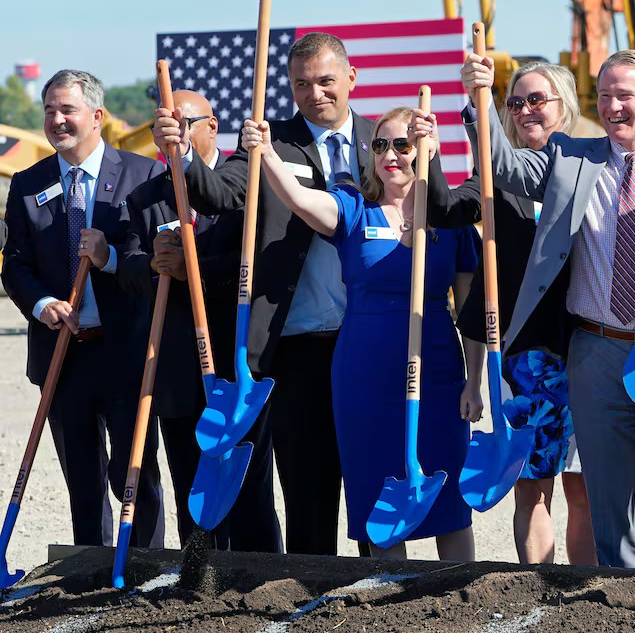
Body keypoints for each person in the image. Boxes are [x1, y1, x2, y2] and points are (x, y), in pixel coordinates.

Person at [152, 32, 458, 555]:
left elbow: (441, 207)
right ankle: (311, 589)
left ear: (350, 79)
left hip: (375, 340)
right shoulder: (272, 142)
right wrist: (181, 157)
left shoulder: (386, 139)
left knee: (377, 474)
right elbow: (220, 192)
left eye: (325, 81)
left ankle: (377, 586)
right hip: (300, 342)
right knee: (310, 488)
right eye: (300, 84)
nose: (314, 93)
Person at [460, 48, 635, 571]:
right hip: (596, 349)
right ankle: (624, 593)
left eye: (625, 94)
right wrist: (481, 97)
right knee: (609, 494)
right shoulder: (571, 158)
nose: (613, 106)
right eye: (603, 95)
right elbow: (502, 165)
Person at [239, 105, 482, 559]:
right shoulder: (354, 207)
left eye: (403, 145)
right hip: (363, 370)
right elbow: (301, 199)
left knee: (449, 495)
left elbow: (469, 312)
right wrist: (266, 152)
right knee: (378, 490)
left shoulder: (450, 222)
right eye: (381, 145)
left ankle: (458, 595)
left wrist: (475, 381)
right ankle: (387, 599)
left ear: (426, 150)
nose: (390, 155)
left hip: (437, 367)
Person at [1, 69, 166, 547]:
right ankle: (90, 568)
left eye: (67, 110)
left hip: (127, 352)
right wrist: (41, 303)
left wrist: (110, 258)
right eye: (49, 110)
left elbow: (155, 263)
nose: (57, 120)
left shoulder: (142, 175)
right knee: (83, 484)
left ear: (97, 116)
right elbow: (15, 265)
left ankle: (146, 567)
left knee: (135, 476)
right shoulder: (28, 183)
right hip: (62, 354)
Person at [119, 90, 282, 552]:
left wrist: (193, 268)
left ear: (211, 127)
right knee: (192, 480)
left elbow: (255, 257)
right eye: (164, 127)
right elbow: (129, 265)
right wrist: (153, 264)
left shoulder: (242, 178)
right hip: (175, 365)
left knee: (250, 488)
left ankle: (261, 574)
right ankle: (198, 573)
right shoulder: (145, 197)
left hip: (234, 365)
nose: (173, 133)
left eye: (185, 123)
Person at [447, 61, 596, 566]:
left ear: (566, 107)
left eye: (538, 100)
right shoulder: (494, 185)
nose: (526, 110)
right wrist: (473, 382)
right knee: (533, 489)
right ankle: (539, 592)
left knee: (584, 489)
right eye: (515, 102)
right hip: (521, 364)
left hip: (586, 351)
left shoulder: (593, 170)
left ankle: (583, 597)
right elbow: (478, 292)